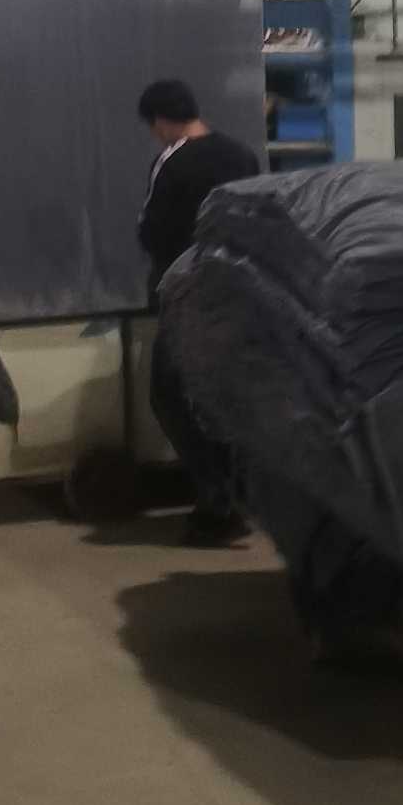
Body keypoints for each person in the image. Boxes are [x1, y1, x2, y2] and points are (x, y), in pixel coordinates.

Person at [136, 78, 259, 546]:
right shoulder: (241, 155)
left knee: (168, 396)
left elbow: (152, 232)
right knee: (227, 400)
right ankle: (243, 494)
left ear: (160, 121)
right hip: (237, 292)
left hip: (187, 294)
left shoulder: (172, 161)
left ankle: (217, 502)